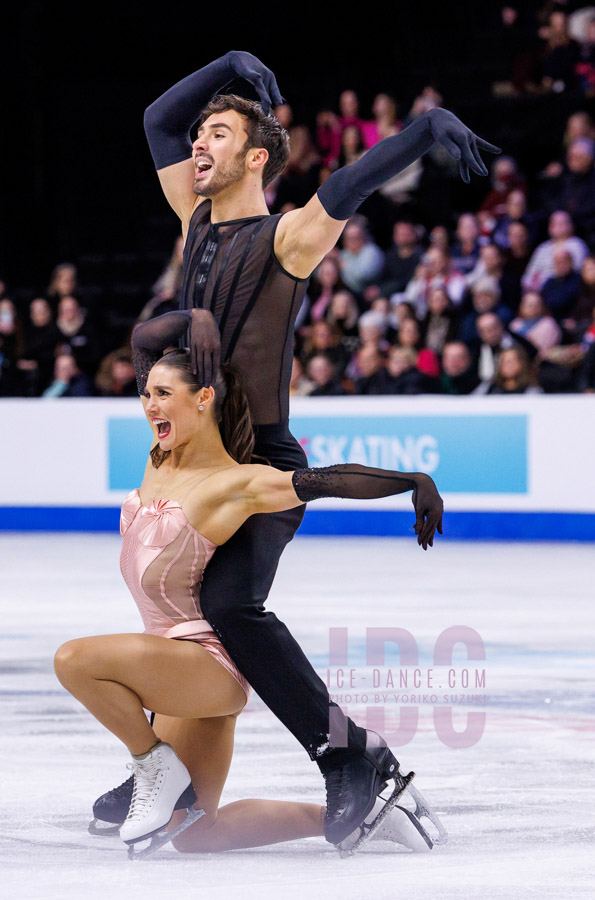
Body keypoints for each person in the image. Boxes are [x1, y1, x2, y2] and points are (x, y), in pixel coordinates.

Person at [95, 49, 498, 845]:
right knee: (175, 609)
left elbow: (347, 187)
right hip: (198, 463)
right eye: (200, 133)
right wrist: (230, 65)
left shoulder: (289, 239)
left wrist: (421, 130)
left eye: (218, 133)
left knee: (229, 608)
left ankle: (355, 760)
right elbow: (156, 120)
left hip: (262, 461)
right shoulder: (196, 219)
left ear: (255, 158)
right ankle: (168, 764)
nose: (196, 145)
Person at [55, 313, 444, 855]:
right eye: (146, 394)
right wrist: (194, 319)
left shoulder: (231, 484)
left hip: (204, 663)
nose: (150, 405)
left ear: (203, 398)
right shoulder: (159, 455)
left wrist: (413, 481)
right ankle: (374, 819)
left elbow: (323, 481)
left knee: (75, 659)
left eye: (163, 394)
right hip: (173, 672)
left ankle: (152, 765)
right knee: (195, 835)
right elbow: (144, 340)